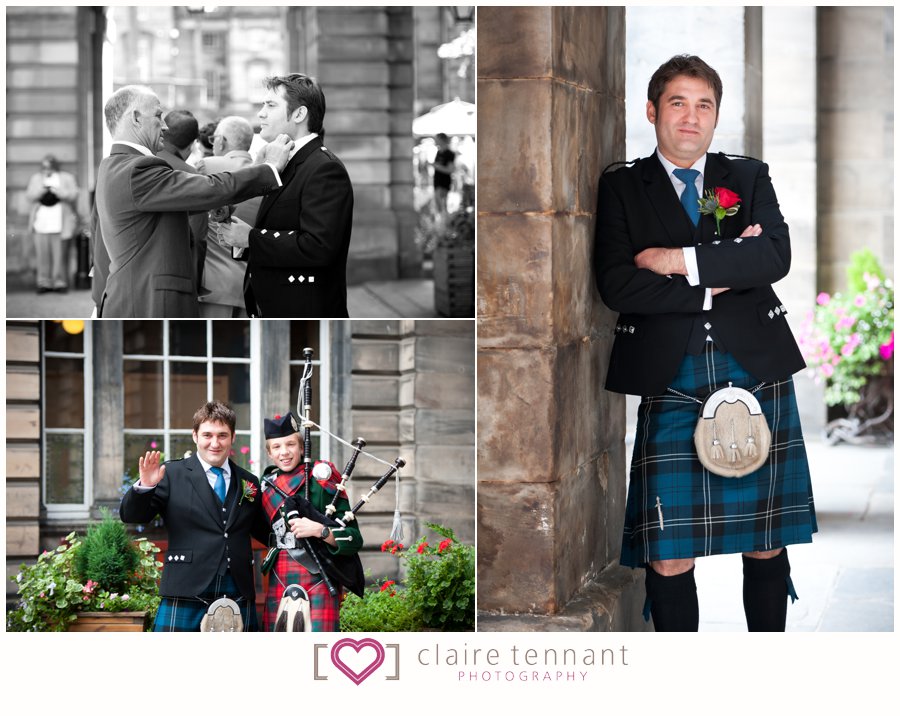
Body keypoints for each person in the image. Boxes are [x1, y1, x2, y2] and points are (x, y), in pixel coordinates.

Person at [594, 54, 817, 632]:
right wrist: (720, 277)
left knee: (765, 539)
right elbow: (618, 284)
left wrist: (675, 262)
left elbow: (774, 256)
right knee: (669, 549)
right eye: (677, 103)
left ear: (716, 115)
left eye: (704, 105)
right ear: (652, 111)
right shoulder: (622, 185)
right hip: (671, 375)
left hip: (757, 366)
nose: (691, 118)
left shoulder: (745, 176)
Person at [92, 84, 292, 317]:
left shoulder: (114, 165)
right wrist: (268, 169)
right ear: (136, 118)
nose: (165, 126)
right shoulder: (136, 168)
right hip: (149, 302)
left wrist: (212, 207)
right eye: (158, 116)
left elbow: (156, 219)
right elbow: (209, 188)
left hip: (137, 297)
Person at [120, 401, 271, 631]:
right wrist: (145, 487)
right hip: (186, 588)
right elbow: (132, 515)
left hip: (237, 589)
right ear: (195, 436)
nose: (214, 443)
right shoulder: (171, 474)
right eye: (207, 435)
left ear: (232, 437)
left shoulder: (248, 481)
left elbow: (265, 531)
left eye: (222, 435)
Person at [216, 73, 354, 318]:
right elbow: (284, 227)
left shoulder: (324, 168)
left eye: (270, 105)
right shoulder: (286, 161)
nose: (261, 113)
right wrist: (242, 242)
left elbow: (320, 247)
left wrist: (251, 239)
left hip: (305, 311)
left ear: (299, 114)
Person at [259, 413, 363, 631]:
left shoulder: (320, 479)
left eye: (290, 444)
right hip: (279, 573)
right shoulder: (266, 486)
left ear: (302, 447)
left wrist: (321, 530)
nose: (284, 452)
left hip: (319, 575)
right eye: (276, 447)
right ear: (269, 453)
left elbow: (354, 539)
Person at [194, 116, 259, 318]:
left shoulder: (206, 166)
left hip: (214, 284)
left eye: (214, 139)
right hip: (251, 285)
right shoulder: (266, 174)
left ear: (221, 141)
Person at [157, 109, 209, 292]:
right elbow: (198, 236)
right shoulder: (190, 175)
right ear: (192, 144)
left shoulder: (131, 163)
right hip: (174, 284)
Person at [26, 155, 80, 293]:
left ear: (56, 166)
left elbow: (74, 194)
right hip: (41, 223)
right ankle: (43, 282)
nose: (47, 169)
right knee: (42, 255)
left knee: (60, 256)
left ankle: (59, 282)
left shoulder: (66, 177)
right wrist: (42, 189)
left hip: (60, 223)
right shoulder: (36, 178)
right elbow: (30, 196)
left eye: (49, 166)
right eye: (44, 167)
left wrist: (58, 191)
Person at [432, 132, 456, 217]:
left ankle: (444, 222)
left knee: (442, 203)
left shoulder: (449, 153)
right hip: (437, 180)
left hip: (444, 181)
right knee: (438, 203)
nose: (435, 141)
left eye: (437, 139)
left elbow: (450, 170)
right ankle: (441, 222)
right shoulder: (439, 152)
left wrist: (437, 167)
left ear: (441, 140)